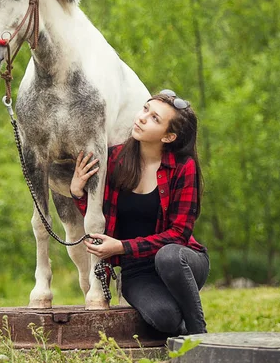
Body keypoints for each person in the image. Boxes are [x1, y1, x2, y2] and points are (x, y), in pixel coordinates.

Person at [70, 89, 209, 336]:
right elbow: (102, 218)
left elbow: (178, 235)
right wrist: (79, 193)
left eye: (155, 118)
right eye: (145, 109)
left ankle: (199, 336)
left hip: (182, 261)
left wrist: (121, 247)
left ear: (169, 137)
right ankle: (180, 321)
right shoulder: (113, 160)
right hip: (136, 272)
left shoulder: (182, 167)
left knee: (168, 257)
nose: (142, 117)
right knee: (165, 318)